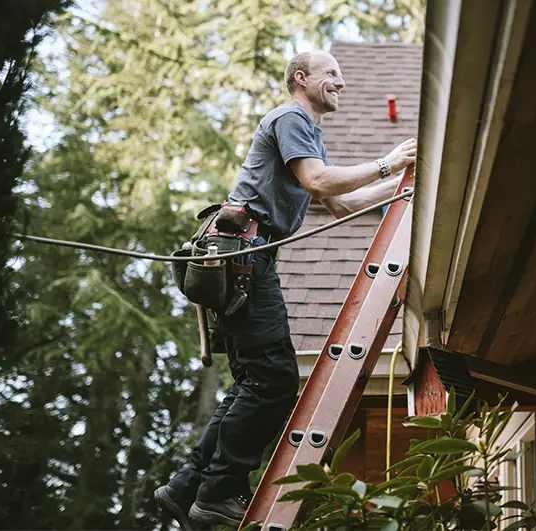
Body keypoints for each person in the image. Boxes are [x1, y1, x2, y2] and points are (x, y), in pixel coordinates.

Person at [154, 50, 417, 529]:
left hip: (244, 259)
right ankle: (218, 492)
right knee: (274, 382)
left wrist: (402, 181)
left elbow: (340, 203)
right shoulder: (291, 116)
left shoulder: (305, 131)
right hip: (244, 258)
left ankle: (188, 486)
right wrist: (386, 162)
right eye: (331, 74)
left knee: (253, 383)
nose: (341, 82)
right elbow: (317, 182)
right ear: (302, 78)